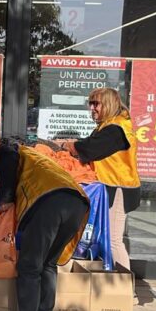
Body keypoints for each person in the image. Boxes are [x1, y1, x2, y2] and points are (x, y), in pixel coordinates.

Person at [0, 139, 91, 311]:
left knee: (29, 267)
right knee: (48, 265)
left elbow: (8, 159)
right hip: (77, 202)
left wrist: (5, 198)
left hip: (49, 203)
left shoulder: (10, 151)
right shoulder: (39, 158)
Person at [57, 88, 140, 269]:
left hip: (118, 187)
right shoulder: (108, 126)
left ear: (109, 104)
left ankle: (125, 283)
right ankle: (113, 279)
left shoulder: (117, 129)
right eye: (90, 103)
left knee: (113, 240)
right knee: (106, 238)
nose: (92, 108)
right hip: (109, 186)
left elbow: (90, 148)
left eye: (96, 104)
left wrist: (66, 145)